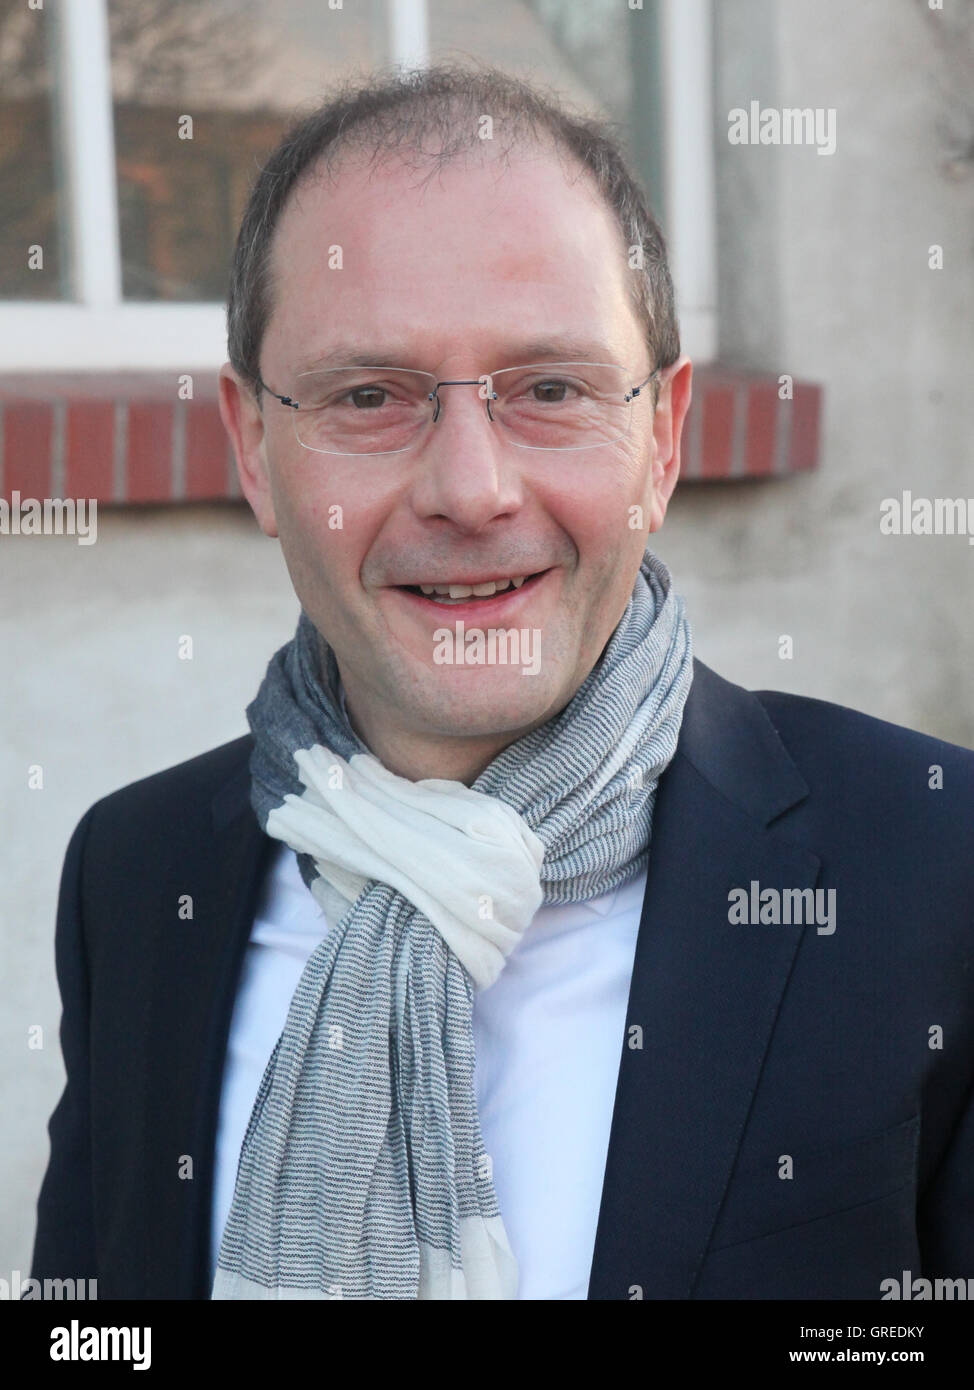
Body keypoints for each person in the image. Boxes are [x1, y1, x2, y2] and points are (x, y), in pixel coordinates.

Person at [30, 66, 974, 1301]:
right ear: (254, 448)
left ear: (665, 436)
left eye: (549, 391)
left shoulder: (933, 869)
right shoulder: (139, 874)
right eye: (370, 395)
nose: (470, 490)